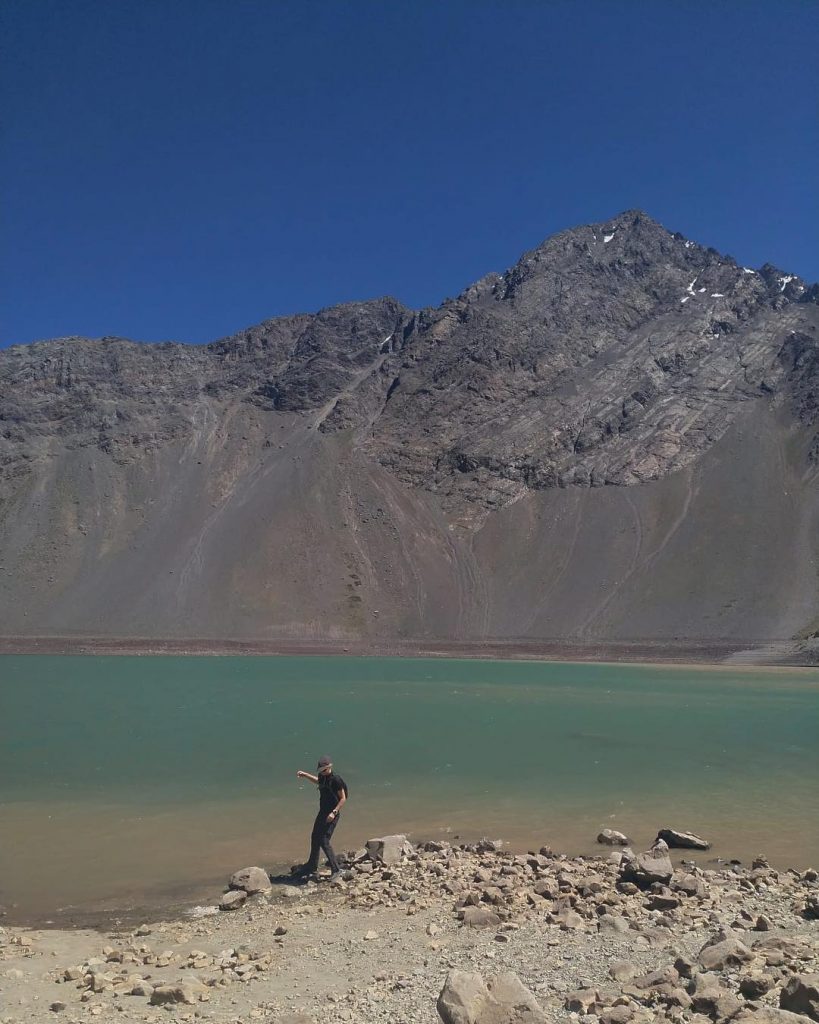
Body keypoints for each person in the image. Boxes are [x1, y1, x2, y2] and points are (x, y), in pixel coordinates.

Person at [293, 755, 347, 880]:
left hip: (332, 813)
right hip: (322, 811)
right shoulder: (323, 777)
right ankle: (312, 865)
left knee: (324, 839)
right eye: (321, 770)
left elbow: (343, 798)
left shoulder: (336, 780)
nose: (323, 772)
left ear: (330, 767)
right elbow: (318, 781)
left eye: (325, 770)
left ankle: (336, 869)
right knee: (315, 835)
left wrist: (334, 812)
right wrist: (305, 775)